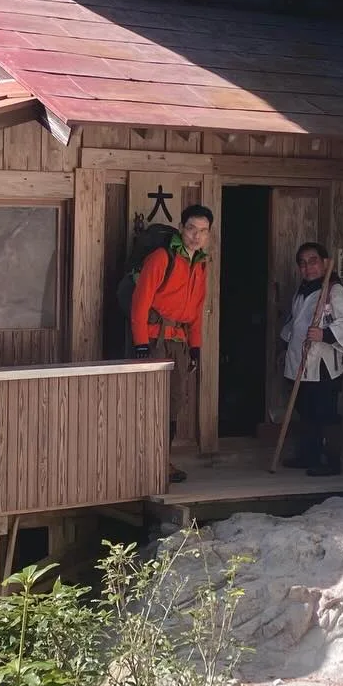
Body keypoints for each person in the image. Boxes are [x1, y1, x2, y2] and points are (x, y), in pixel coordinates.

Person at [132, 203, 212, 483]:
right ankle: (144, 464)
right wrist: (141, 343)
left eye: (203, 231)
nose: (196, 236)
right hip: (154, 338)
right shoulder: (161, 258)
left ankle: (162, 460)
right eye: (191, 229)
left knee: (173, 401)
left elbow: (197, 311)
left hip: (179, 342)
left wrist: (195, 346)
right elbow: (140, 302)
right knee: (149, 401)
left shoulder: (200, 264)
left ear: (208, 235)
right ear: (181, 229)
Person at [280, 241, 343, 477]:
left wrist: (324, 334)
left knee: (325, 412)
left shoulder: (334, 291)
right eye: (303, 263)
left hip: (323, 364)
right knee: (306, 411)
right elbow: (294, 323)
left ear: (325, 263)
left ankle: (331, 461)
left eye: (313, 261)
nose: (308, 267)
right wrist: (283, 346)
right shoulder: (302, 292)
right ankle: (309, 455)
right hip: (300, 361)